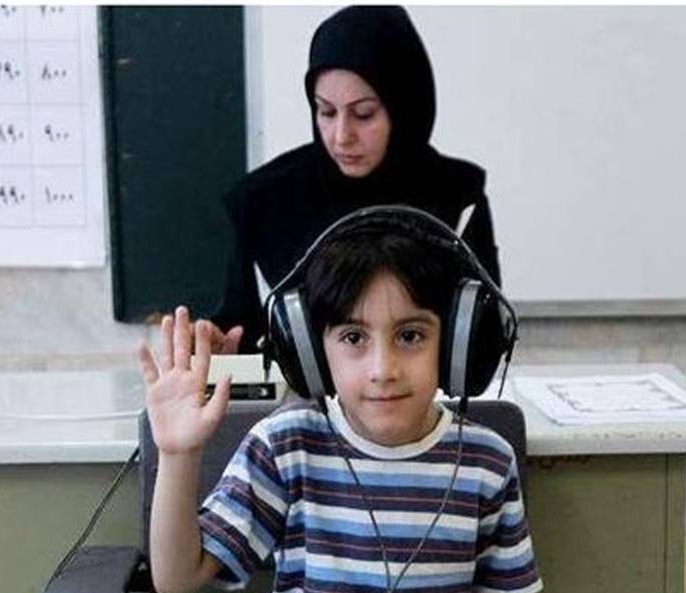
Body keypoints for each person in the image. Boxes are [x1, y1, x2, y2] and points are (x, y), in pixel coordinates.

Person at [137, 210, 539, 593]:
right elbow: (176, 577)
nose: (383, 369)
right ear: (310, 348)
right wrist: (178, 454)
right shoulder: (287, 445)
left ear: (457, 343)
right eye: (353, 338)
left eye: (411, 335)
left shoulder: (485, 461)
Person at [208, 5, 502, 355]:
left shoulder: (458, 197)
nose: (341, 136)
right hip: (297, 392)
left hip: (422, 390)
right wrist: (220, 349)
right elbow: (238, 333)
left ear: (404, 109)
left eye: (363, 114)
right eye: (326, 111)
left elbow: (485, 339)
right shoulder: (262, 203)